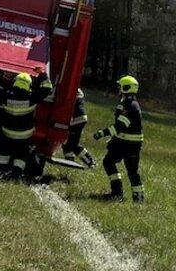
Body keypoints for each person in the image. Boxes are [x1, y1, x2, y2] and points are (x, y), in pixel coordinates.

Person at [92, 74, 144, 202]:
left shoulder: (131, 106)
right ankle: (117, 193)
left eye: (120, 87)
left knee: (132, 171)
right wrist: (115, 139)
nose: (119, 89)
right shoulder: (126, 102)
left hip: (131, 145)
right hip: (122, 142)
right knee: (108, 162)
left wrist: (102, 133)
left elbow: (120, 126)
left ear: (126, 88)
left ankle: (139, 199)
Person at [0, 71, 38, 180]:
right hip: (24, 136)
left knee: (4, 151)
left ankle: (1, 172)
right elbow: (47, 89)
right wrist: (43, 75)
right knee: (21, 154)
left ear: (15, 82)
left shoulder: (6, 96)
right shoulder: (33, 98)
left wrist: (4, 78)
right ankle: (15, 174)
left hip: (7, 132)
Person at [62, 88, 95, 167]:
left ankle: (89, 162)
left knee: (72, 144)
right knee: (70, 143)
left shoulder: (73, 89)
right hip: (79, 119)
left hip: (76, 119)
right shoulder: (77, 90)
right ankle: (69, 161)